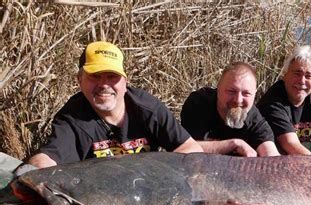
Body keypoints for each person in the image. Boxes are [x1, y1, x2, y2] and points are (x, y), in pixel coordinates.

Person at [26, 41, 202, 169]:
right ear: (80, 80)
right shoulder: (72, 118)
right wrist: (35, 169)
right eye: (94, 76)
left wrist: (159, 173)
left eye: (112, 77)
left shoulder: (147, 108)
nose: (104, 84)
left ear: (125, 82)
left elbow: (191, 150)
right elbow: (49, 159)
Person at [180, 62, 279, 157]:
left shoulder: (255, 120)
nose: (238, 100)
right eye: (231, 91)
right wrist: (234, 144)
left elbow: (272, 157)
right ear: (218, 89)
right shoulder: (199, 104)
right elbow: (183, 147)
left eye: (246, 93)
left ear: (254, 95)